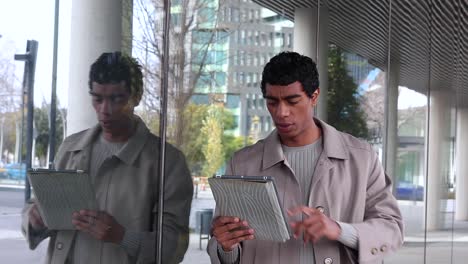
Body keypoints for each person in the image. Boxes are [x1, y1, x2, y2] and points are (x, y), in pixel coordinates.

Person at [208, 51, 403, 264]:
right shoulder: (243, 163)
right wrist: (226, 247)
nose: (281, 112)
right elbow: (225, 245)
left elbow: (391, 229)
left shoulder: (362, 158)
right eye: (272, 102)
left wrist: (339, 230)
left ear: (314, 96)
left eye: (292, 101)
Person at [21, 52, 193, 264]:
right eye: (98, 99)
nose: (105, 110)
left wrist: (123, 237)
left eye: (116, 99)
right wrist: (34, 218)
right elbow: (38, 204)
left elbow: (173, 247)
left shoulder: (168, 163)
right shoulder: (71, 148)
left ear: (136, 97)